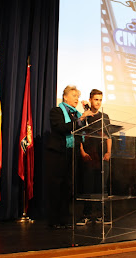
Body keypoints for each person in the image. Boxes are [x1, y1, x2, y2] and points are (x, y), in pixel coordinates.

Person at [45, 85, 93, 229]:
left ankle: (65, 220)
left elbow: (86, 129)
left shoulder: (77, 114)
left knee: (68, 188)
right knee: (56, 187)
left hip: (71, 154)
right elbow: (61, 127)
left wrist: (85, 113)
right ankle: (54, 220)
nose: (77, 99)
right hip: (57, 154)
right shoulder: (56, 111)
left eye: (78, 97)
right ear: (65, 97)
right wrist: (81, 119)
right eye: (74, 96)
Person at [76, 89, 112, 226]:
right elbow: (79, 135)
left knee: (102, 186)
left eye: (100, 100)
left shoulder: (105, 116)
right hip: (89, 156)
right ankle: (86, 214)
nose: (98, 102)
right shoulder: (85, 115)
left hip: (102, 156)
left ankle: (103, 215)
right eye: (96, 99)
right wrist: (82, 152)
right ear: (90, 100)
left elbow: (109, 135)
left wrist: (109, 152)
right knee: (88, 186)